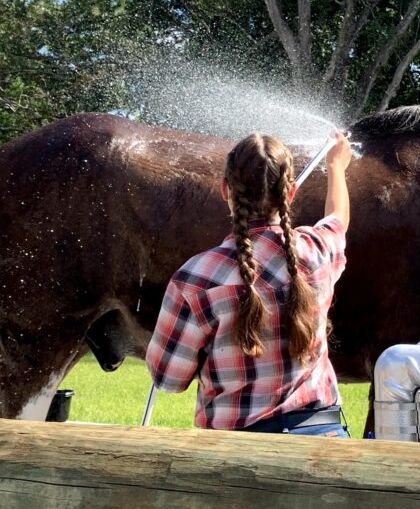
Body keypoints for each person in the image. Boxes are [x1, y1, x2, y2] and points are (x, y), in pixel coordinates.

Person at [146, 131, 352, 436]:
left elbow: (168, 379)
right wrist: (336, 167)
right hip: (324, 441)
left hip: (237, 455)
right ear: (291, 192)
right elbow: (337, 219)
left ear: (225, 190)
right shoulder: (318, 252)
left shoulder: (195, 279)